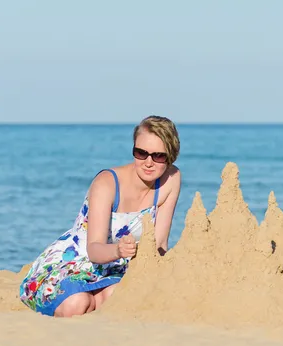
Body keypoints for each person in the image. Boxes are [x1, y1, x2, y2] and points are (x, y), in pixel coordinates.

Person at [20, 115, 182, 317]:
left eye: (158, 156)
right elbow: (94, 249)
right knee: (77, 303)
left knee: (118, 296)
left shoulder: (171, 180)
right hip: (77, 261)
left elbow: (160, 243)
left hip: (120, 268)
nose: (148, 162)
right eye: (141, 153)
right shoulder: (107, 183)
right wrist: (118, 250)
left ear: (171, 156)